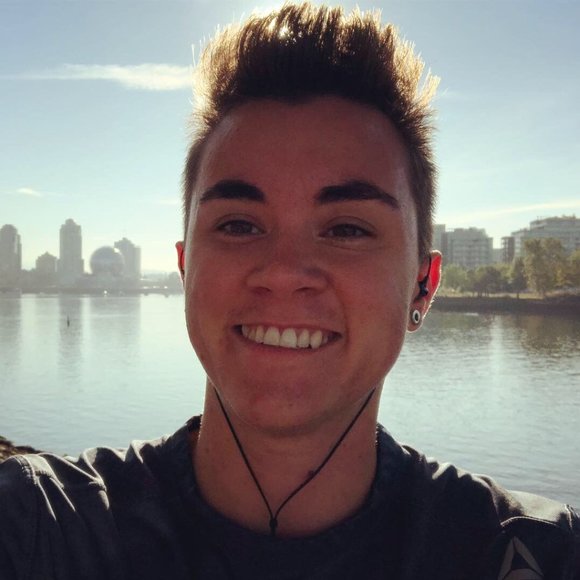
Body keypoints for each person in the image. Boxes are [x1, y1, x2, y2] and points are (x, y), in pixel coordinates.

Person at [1, 3, 578, 579]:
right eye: (238, 225)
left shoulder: (531, 555)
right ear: (186, 268)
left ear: (422, 287)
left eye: (347, 229)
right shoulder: (39, 529)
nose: (282, 271)